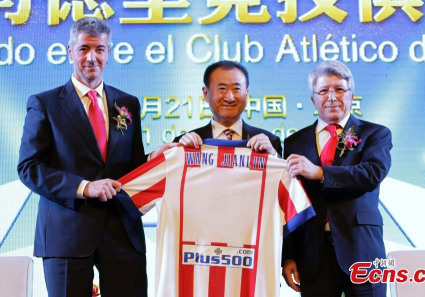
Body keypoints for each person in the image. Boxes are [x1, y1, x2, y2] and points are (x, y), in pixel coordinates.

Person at [17, 17, 147, 297]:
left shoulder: (127, 104)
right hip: (66, 234)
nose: (92, 57)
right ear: (70, 51)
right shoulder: (44, 104)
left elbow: (135, 165)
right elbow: (29, 167)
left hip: (122, 232)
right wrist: (84, 187)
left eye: (99, 49)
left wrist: (164, 156)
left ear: (109, 53)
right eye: (84, 48)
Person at [282, 60, 392, 297]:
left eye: (339, 89)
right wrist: (288, 254)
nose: (332, 97)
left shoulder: (374, 134)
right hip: (313, 254)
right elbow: (290, 200)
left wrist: (320, 173)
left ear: (351, 95)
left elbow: (372, 173)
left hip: (362, 249)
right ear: (313, 99)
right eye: (323, 91)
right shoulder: (294, 142)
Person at [151, 60, 282, 158]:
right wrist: (160, 155)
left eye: (237, 89)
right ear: (206, 93)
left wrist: (273, 156)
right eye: (222, 89)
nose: (230, 97)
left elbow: (286, 184)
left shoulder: (269, 142)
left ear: (246, 94)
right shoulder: (185, 143)